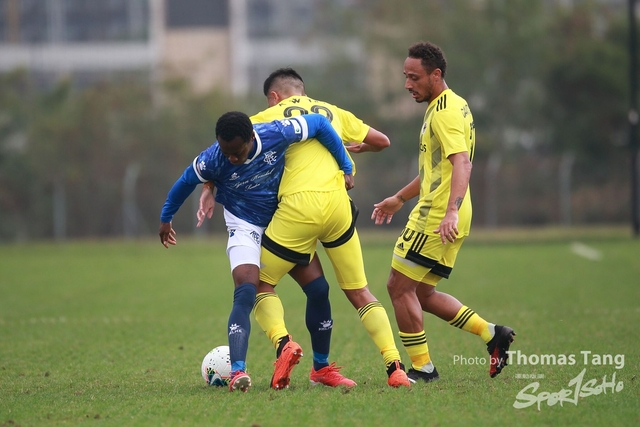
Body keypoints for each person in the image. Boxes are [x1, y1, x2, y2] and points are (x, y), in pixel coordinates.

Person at [198, 68, 410, 388]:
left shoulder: (265, 118)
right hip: (339, 207)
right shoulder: (333, 111)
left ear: (274, 97)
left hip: (298, 210)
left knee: (259, 285)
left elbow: (222, 154)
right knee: (359, 291)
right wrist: (358, 150)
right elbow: (382, 141)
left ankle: (284, 344)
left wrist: (207, 188)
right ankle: (394, 368)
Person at [159, 111, 354, 393]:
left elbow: (320, 124)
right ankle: (238, 371)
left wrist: (345, 166)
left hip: (281, 223)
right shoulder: (213, 158)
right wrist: (166, 218)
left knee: (319, 289)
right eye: (226, 152)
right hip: (244, 225)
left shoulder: (276, 133)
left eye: (237, 152)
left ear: (251, 137)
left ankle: (321, 370)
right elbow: (186, 181)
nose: (231, 158)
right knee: (246, 290)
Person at [371, 41, 515, 383]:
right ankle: (492, 333)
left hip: (437, 216)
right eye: (406, 76)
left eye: (414, 77)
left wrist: (450, 211)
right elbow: (435, 170)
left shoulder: (445, 112)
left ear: (436, 74)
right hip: (450, 212)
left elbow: (461, 162)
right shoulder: (451, 104)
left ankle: (423, 368)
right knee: (422, 293)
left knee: (398, 287)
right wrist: (400, 198)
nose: (407, 84)